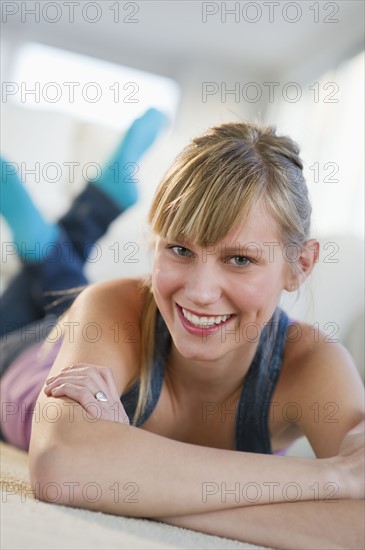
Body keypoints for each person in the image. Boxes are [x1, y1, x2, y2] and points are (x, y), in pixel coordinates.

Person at [1, 119, 364, 550]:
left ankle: (79, 215)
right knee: (71, 293)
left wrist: (124, 478)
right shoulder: (112, 307)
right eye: (180, 249)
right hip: (25, 354)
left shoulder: (311, 362)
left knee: (54, 271)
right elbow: (60, 466)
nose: (199, 292)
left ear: (300, 265)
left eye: (240, 260)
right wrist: (331, 476)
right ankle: (62, 227)